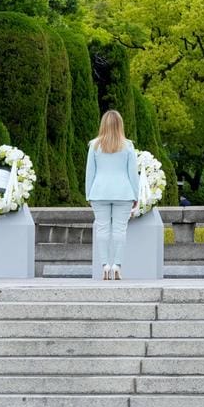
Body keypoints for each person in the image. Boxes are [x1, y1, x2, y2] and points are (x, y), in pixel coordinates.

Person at [85, 110, 139, 281]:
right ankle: (117, 265)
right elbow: (133, 174)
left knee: (102, 229)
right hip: (123, 192)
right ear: (120, 125)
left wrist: (88, 194)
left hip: (99, 191)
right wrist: (136, 195)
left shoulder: (94, 145)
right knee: (119, 230)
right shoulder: (128, 146)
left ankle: (105, 265)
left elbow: (89, 173)